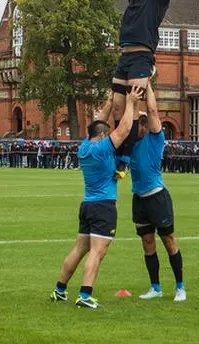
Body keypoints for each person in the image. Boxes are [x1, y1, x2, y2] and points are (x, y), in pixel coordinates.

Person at [50, 86, 143, 309]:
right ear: (102, 135)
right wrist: (130, 103)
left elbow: (97, 123)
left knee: (79, 248)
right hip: (103, 206)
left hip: (88, 205)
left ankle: (60, 290)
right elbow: (126, 129)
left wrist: (110, 103)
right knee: (97, 251)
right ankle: (84, 294)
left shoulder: (84, 147)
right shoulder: (103, 148)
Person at [111, 0, 171, 178]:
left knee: (134, 108)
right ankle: (119, 150)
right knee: (117, 107)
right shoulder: (134, 0)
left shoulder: (158, 2)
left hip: (141, 58)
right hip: (124, 57)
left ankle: (126, 158)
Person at [130, 82, 186, 302]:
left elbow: (152, 110)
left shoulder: (155, 139)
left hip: (157, 197)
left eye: (140, 124)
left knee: (169, 240)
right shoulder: (130, 143)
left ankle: (180, 287)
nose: (138, 128)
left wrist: (148, 84)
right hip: (139, 199)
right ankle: (156, 287)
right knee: (147, 244)